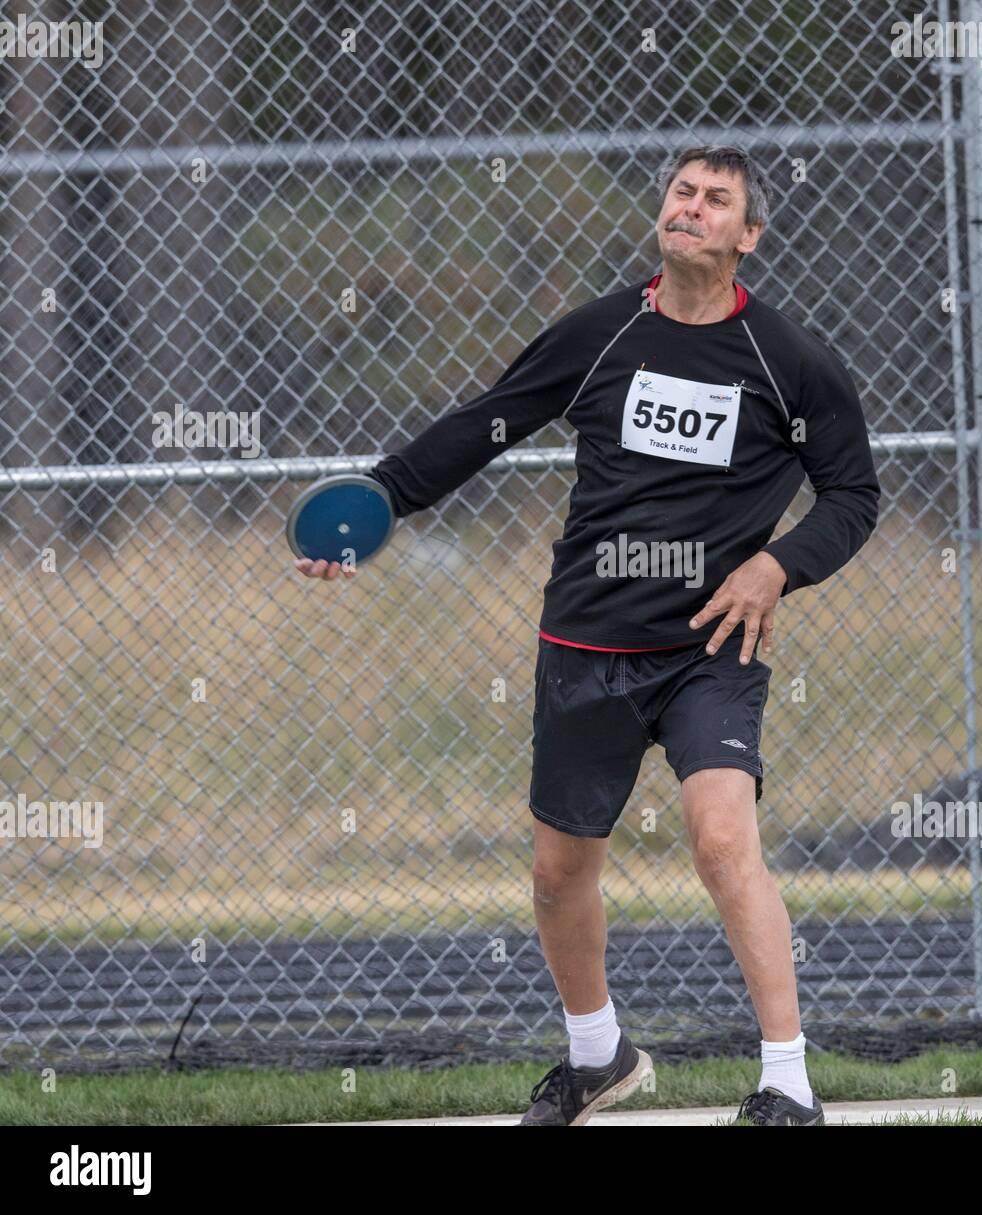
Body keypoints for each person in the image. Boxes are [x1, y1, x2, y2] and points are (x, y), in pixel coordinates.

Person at [295, 144, 881, 1126]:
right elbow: (491, 422)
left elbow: (854, 493)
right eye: (680, 193)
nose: (688, 209)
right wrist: (379, 503)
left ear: (748, 236)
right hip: (585, 645)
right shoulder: (604, 334)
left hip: (710, 646)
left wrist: (776, 564)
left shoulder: (790, 363)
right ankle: (596, 1057)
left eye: (714, 200)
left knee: (722, 837)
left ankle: (787, 1083)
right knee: (559, 875)